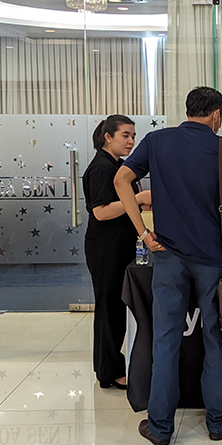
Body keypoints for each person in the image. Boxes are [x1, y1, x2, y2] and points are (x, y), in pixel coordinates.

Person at [114, 86, 222, 445]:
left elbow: (121, 179)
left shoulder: (156, 141)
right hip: (212, 259)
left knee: (165, 340)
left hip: (167, 256)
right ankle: (219, 421)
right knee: (216, 337)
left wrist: (143, 232)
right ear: (216, 115)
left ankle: (160, 427)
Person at [82, 115, 151, 391]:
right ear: (108, 137)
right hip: (105, 248)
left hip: (118, 245)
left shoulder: (117, 166)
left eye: (133, 135)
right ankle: (109, 371)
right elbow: (101, 211)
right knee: (109, 309)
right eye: (125, 135)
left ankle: (109, 366)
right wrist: (137, 199)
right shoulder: (102, 168)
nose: (131, 141)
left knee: (115, 308)